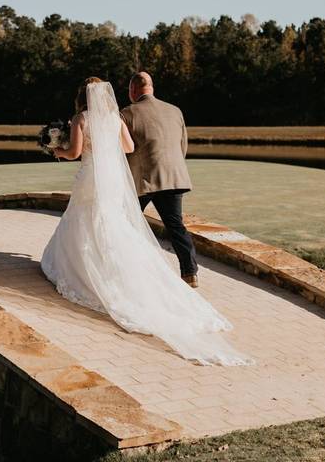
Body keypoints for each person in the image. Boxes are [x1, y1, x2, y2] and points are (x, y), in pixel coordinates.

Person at [41, 79, 250, 365]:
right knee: (115, 224)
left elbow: (75, 153)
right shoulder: (114, 118)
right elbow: (127, 146)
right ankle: (163, 272)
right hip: (114, 180)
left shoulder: (80, 118)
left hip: (91, 177)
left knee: (85, 219)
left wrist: (58, 151)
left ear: (81, 97)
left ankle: (90, 270)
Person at [120, 71, 199, 287]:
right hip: (174, 176)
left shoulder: (127, 113)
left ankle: (130, 268)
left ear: (133, 90)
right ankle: (190, 272)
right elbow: (183, 145)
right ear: (151, 87)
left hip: (144, 179)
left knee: (125, 221)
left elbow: (123, 150)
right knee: (175, 225)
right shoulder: (175, 110)